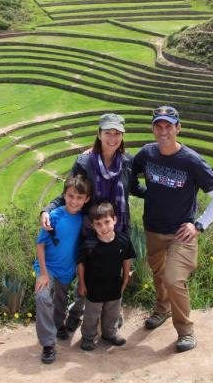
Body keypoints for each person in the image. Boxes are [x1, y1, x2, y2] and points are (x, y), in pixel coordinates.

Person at [132, 105, 213, 353]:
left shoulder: (191, 161)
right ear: (153, 128)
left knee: (174, 279)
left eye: (168, 126)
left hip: (181, 234)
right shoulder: (147, 154)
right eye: (158, 125)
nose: (163, 131)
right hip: (153, 228)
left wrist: (199, 225)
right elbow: (128, 172)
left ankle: (186, 331)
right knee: (158, 273)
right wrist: (95, 151)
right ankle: (162, 309)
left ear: (178, 128)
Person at [40, 113, 145, 332]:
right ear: (99, 134)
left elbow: (135, 188)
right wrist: (47, 210)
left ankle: (111, 318)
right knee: (86, 276)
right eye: (108, 133)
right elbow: (69, 193)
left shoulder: (128, 162)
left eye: (117, 133)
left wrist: (163, 192)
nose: (113, 138)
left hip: (117, 229)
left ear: (122, 136)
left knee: (111, 274)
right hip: (89, 230)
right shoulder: (85, 162)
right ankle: (76, 314)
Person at [34, 174, 91, 364]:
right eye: (70, 196)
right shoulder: (54, 216)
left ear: (86, 199)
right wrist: (42, 274)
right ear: (64, 196)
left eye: (79, 197)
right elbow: (40, 245)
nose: (74, 201)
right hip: (47, 267)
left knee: (60, 301)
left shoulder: (84, 219)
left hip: (67, 269)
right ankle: (48, 344)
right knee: (42, 298)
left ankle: (58, 325)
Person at [77, 201, 135, 351]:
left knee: (112, 313)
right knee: (91, 315)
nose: (103, 227)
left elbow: (126, 258)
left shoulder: (123, 240)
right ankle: (88, 337)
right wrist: (82, 284)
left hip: (114, 286)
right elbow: (81, 264)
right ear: (92, 225)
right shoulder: (89, 244)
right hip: (94, 289)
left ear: (114, 219)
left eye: (107, 222)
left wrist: (126, 278)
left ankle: (110, 333)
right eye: (98, 224)